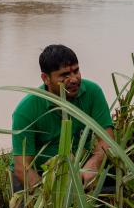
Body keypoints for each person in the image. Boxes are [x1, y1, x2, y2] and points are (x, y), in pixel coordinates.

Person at [11, 44, 114, 192]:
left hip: (79, 166)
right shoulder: (26, 110)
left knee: (115, 183)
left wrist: (93, 165)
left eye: (76, 71)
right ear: (45, 78)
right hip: (40, 172)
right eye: (64, 75)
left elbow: (107, 140)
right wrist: (46, 196)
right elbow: (22, 168)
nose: (74, 79)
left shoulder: (93, 92)